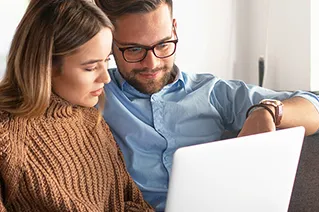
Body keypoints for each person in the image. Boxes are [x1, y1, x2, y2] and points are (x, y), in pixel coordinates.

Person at [94, 0, 319, 211]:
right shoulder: (94, 94)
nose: (152, 64)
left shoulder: (210, 91)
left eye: (163, 44)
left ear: (174, 29)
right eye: (134, 50)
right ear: (109, 42)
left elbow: (313, 105)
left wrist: (268, 110)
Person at [0, 0, 154, 211]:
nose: (105, 78)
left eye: (106, 61)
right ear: (47, 65)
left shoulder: (92, 120)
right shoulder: (6, 134)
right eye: (91, 67)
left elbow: (130, 202)